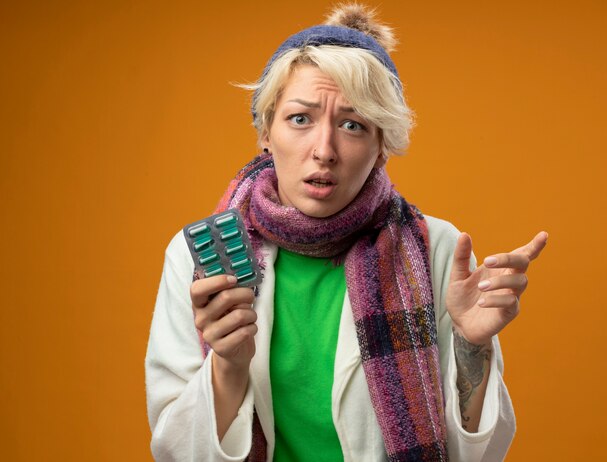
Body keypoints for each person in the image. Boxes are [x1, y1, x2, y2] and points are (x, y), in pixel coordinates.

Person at [145, 4, 547, 461]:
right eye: (300, 119)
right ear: (265, 130)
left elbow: (477, 455)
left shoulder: (438, 251)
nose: (324, 150)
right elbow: (175, 451)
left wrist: (472, 347)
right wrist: (228, 366)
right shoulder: (199, 257)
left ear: (381, 148)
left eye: (353, 125)